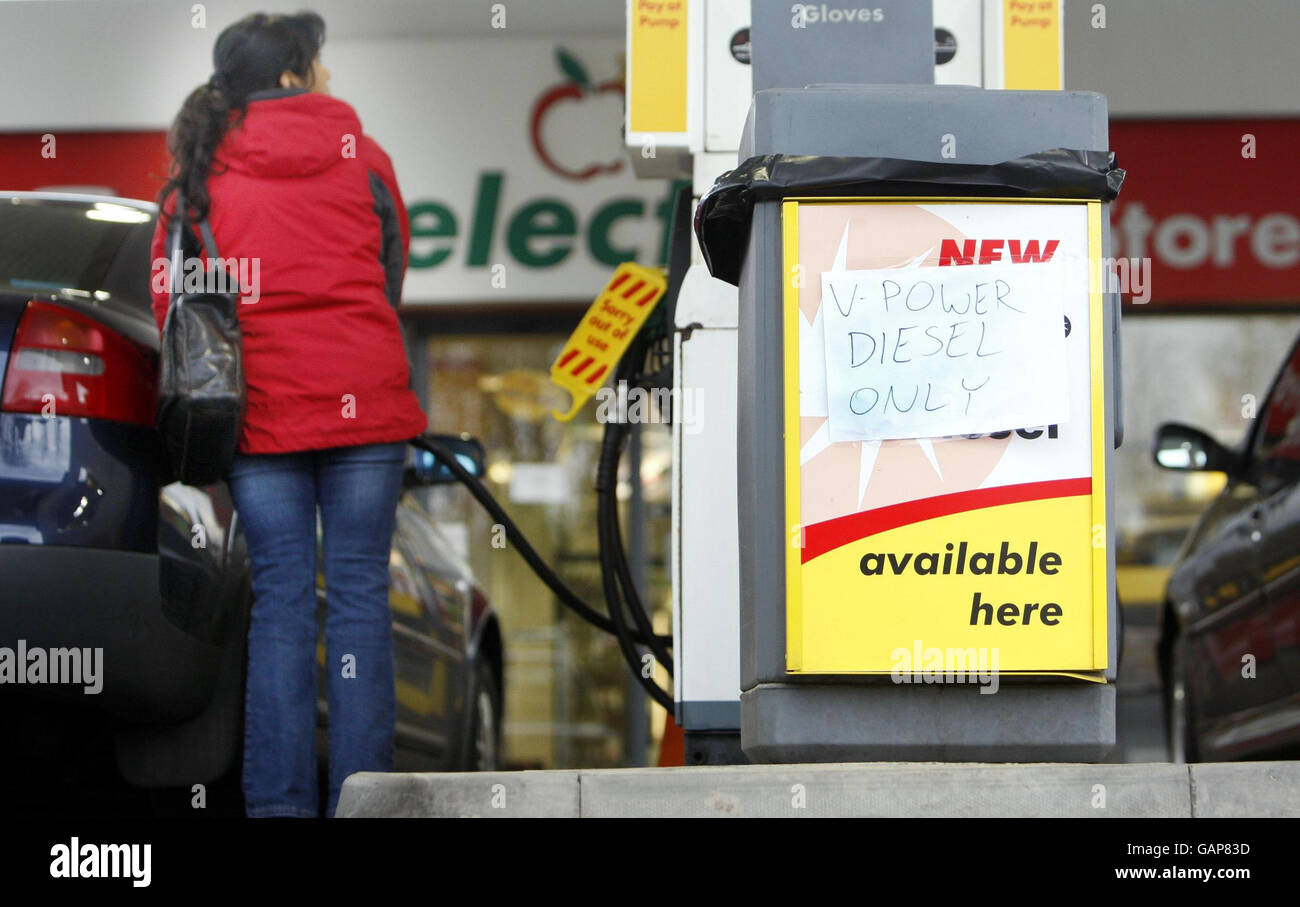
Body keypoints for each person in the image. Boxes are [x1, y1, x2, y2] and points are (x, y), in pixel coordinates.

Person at [149, 10, 428, 818]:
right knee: (358, 600)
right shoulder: (364, 159)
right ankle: (365, 801)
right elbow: (390, 274)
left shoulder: (200, 171)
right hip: (367, 412)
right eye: (319, 63)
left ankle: (278, 805)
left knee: (279, 603)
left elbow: (171, 305)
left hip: (262, 416)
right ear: (297, 73)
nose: (329, 77)